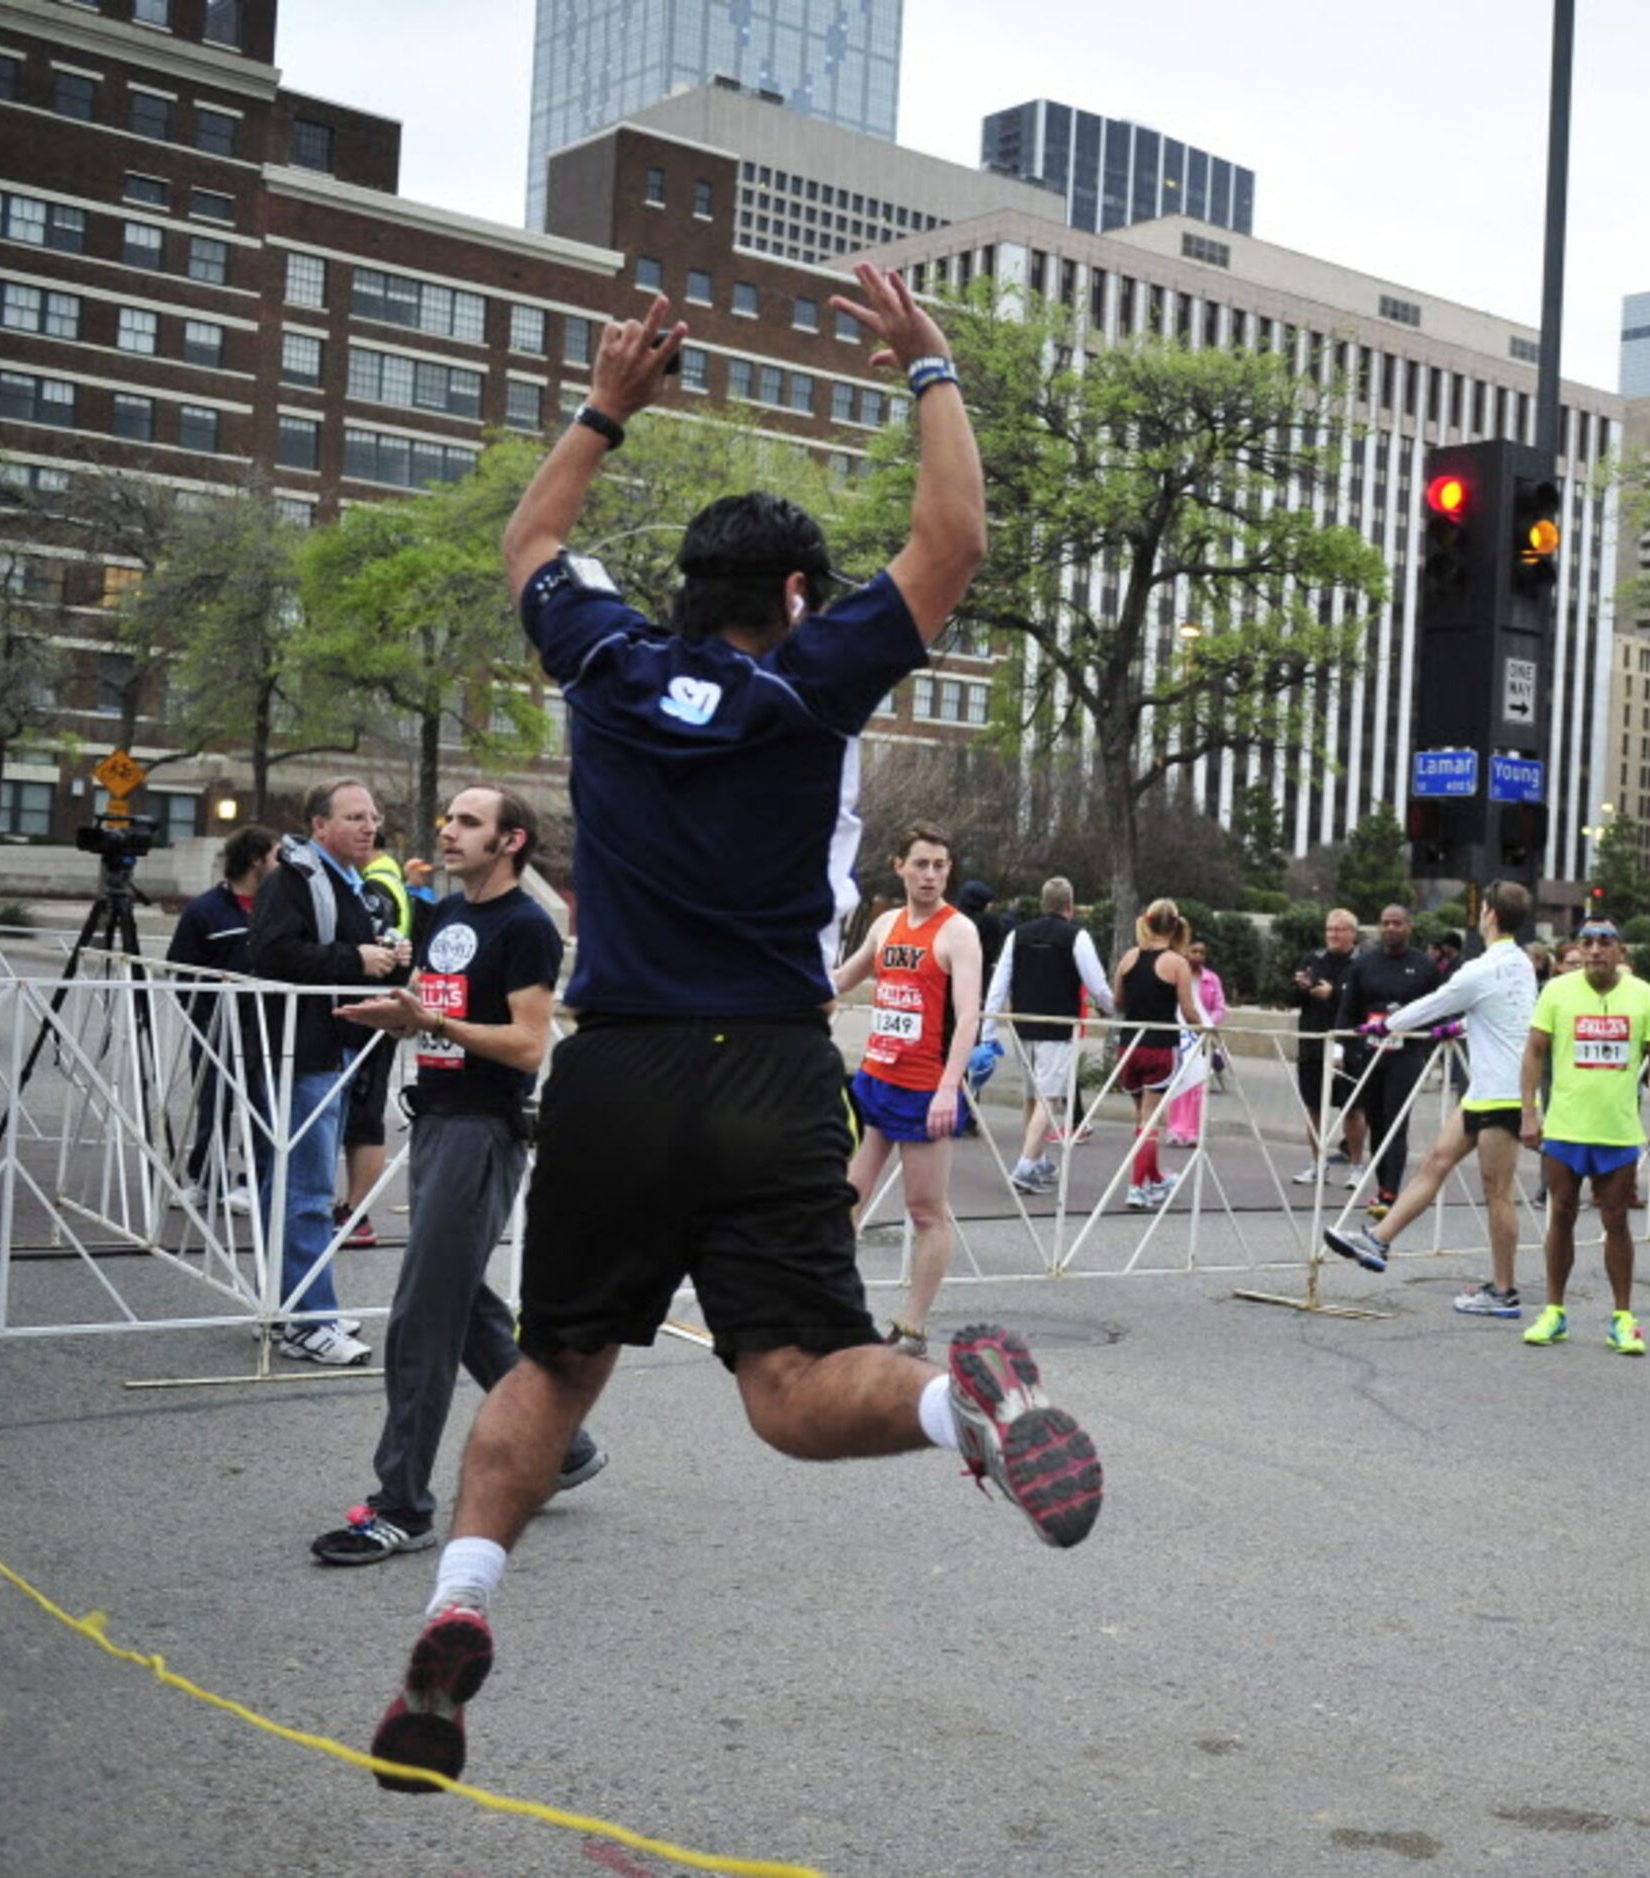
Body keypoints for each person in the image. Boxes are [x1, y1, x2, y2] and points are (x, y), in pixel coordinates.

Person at [368, 275, 1101, 1794]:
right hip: (770, 1062)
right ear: (791, 600)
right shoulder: (810, 680)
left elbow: (533, 544)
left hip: (617, 1063)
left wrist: (606, 405)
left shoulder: (608, 665)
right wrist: (928, 365)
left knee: (554, 1367)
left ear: (690, 590)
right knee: (788, 1381)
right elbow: (952, 543)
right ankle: (958, 1403)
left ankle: (459, 1605)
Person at [311, 788, 607, 1567]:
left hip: (483, 1132)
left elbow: (528, 1046)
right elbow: (429, 1006)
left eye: (468, 822)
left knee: (421, 1319)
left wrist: (433, 1023)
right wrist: (399, 1014)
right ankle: (563, 1447)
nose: (449, 830)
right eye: (449, 819)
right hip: (438, 1122)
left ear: (510, 841)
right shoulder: (448, 916)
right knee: (462, 1304)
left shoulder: (526, 927)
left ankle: (402, 1506)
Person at [248, 779, 407, 1367]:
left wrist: (384, 955)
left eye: (373, 816)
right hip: (301, 1053)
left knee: (290, 1188)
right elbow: (269, 954)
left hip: (326, 1049)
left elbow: (336, 956)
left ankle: (290, 1306)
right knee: (306, 1190)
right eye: (354, 816)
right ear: (318, 826)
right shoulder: (293, 879)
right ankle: (307, 1319)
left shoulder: (348, 883)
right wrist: (354, 958)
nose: (370, 826)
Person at [1320, 880, 1537, 1310]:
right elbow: (1504, 1015)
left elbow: (1436, 1001)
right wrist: (1457, 1029)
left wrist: (1387, 1025)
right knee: (1437, 1160)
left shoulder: (1481, 968)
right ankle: (1378, 1241)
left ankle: (1504, 1291)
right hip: (1484, 1090)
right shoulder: (1519, 964)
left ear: (1490, 914)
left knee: (1498, 1193)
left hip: (1503, 1094)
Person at [832, 822, 986, 1355]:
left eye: (940, 865)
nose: (931, 875)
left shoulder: (959, 932)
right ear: (900, 866)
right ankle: (833, 1308)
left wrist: (949, 1089)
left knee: (925, 1211)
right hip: (877, 1079)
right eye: (921, 864)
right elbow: (841, 980)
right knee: (845, 1197)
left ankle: (913, 1328)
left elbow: (969, 1019)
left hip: (925, 1088)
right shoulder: (887, 925)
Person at [1516, 920, 1650, 1355]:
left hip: (1618, 1130)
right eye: (1586, 943)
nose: (1595, 950)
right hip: (1566, 1128)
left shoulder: (1643, 995)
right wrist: (1528, 1113)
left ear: (1620, 950)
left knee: (1616, 1220)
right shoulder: (1557, 992)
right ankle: (1554, 1310)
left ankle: (1622, 1317)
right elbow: (1533, 1050)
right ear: (1578, 950)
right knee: (1560, 1216)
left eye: (1605, 943)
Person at [165, 826, 278, 1206]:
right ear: (256, 859)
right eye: (276, 856)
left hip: (266, 1025)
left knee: (263, 1105)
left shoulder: (279, 907)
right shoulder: (204, 911)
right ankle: (206, 1181)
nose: (282, 865)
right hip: (216, 1025)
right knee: (213, 1105)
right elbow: (180, 968)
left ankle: (256, 1181)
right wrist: (201, 1015)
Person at [980, 876, 1114, 1195]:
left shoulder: (1018, 935)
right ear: (1070, 906)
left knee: (1031, 1096)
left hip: (1023, 1023)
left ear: (1042, 903)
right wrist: (1112, 1008)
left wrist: (987, 1031)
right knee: (1048, 1097)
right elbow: (1096, 984)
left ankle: (1036, 1157)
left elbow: (999, 985)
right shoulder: (1076, 937)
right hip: (1057, 1024)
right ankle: (1027, 1164)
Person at [340, 841, 419, 1251]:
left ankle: (356, 1214)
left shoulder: (378, 884)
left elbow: (386, 942)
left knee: (364, 1116)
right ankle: (350, 1210)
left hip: (374, 1005)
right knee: (359, 1114)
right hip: (376, 1003)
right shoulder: (386, 878)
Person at [1338, 905, 1442, 1212]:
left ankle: (1390, 1193)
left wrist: (1428, 1041)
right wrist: (1341, 1049)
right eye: (1385, 924)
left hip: (1405, 1056)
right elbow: (1348, 1009)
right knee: (1377, 1122)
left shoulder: (1423, 966)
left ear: (1409, 927)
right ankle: (1383, 1184)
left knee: (1396, 1121)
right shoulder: (1365, 964)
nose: (1391, 929)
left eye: (1397, 923)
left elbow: (1439, 1007)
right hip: (1370, 1054)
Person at [1111, 898, 1212, 1211]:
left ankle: (1153, 1177)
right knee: (1151, 1121)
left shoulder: (1128, 958)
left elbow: (1117, 1001)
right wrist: (1207, 1034)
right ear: (1177, 926)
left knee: (1143, 1116)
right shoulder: (1176, 963)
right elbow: (1188, 1010)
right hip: (1159, 1046)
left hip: (1129, 1044)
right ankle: (1136, 1186)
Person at [1288, 909, 1363, 1181]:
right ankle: (1317, 1164)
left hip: (1349, 1046)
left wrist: (1334, 994)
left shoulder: (1362, 963)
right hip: (1313, 1044)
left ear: (1352, 934)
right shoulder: (1312, 959)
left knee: (1353, 1108)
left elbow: (1363, 1001)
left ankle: (1356, 1167)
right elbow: (1291, 997)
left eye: (1340, 929)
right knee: (1314, 1106)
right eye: (1330, 929)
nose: (1333, 934)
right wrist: (1301, 987)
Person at [1162, 939, 1229, 1148]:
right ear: (1186, 952)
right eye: (1194, 951)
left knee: (1198, 1085)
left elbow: (1220, 1007)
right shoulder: (1177, 975)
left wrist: (1208, 1021)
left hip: (1202, 1035)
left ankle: (1193, 1130)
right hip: (1181, 1035)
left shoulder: (1212, 980)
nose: (1198, 955)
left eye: (1202, 952)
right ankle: (1175, 1128)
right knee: (1180, 1083)